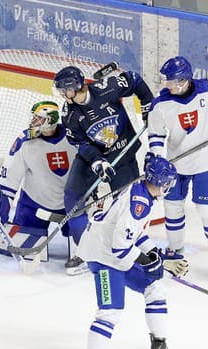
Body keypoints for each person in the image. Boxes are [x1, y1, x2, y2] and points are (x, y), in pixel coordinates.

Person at [74, 156, 188, 349]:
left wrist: (156, 256)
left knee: (155, 288)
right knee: (111, 311)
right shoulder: (140, 203)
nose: (170, 185)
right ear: (161, 182)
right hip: (103, 257)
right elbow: (120, 247)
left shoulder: (144, 193)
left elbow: (137, 235)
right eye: (169, 181)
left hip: (115, 253)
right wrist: (150, 261)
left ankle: (158, 347)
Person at [52, 65, 154, 275]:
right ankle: (86, 251)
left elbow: (134, 79)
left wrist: (147, 105)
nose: (62, 94)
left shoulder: (107, 87)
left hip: (121, 153)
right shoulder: (69, 113)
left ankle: (129, 249)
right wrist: (97, 162)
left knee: (128, 202)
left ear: (75, 87)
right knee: (73, 196)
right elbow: (81, 143)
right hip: (92, 158)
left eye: (64, 89)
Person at [147, 56, 208, 279]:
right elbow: (156, 134)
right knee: (172, 209)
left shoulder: (207, 90)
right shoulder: (160, 104)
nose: (166, 85)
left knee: (207, 210)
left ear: (183, 80)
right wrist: (158, 158)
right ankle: (175, 251)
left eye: (170, 81)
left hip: (206, 162)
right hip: (175, 166)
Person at [0, 100, 77, 262]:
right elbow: (7, 182)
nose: (33, 122)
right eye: (34, 118)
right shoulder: (25, 142)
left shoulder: (75, 137)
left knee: (86, 240)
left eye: (39, 119)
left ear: (51, 120)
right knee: (22, 242)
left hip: (70, 203)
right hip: (34, 205)